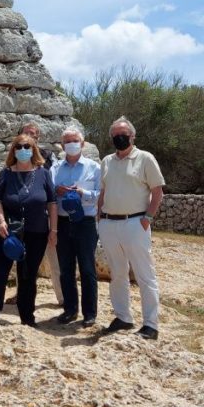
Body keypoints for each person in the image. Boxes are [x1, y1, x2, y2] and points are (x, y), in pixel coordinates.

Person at [0, 134, 57, 327]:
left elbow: (51, 202)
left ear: (33, 149)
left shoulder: (43, 173)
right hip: (8, 231)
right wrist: (1, 221)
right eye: (19, 146)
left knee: (28, 274)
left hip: (37, 232)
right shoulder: (7, 173)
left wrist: (54, 230)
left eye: (27, 146)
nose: (23, 149)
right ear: (13, 150)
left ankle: (27, 316)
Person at [96, 116, 165, 340]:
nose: (119, 138)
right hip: (109, 223)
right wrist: (100, 218)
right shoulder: (107, 161)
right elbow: (103, 192)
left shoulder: (145, 158)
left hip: (135, 223)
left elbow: (157, 192)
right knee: (117, 273)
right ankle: (123, 317)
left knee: (145, 274)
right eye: (115, 135)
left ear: (133, 136)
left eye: (123, 134)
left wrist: (147, 219)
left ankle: (150, 324)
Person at [52, 126, 101, 326]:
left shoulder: (94, 167)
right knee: (65, 269)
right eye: (67, 142)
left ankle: (90, 313)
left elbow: (101, 196)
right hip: (63, 223)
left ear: (82, 144)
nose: (71, 145)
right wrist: (58, 191)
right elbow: (49, 196)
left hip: (85, 223)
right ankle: (70, 310)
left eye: (75, 141)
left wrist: (82, 193)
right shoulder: (55, 168)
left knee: (88, 268)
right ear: (63, 145)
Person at [21, 121, 63, 305]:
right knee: (23, 259)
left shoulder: (48, 157)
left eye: (34, 134)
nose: (31, 136)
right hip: (24, 216)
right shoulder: (17, 154)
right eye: (27, 133)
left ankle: (62, 298)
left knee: (54, 259)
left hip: (45, 215)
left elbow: (52, 184)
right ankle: (23, 294)